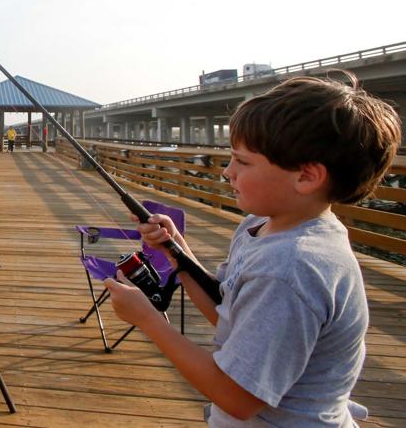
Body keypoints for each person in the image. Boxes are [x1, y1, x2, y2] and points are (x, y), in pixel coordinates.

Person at [104, 75, 401, 426]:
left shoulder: (291, 268)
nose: (227, 172)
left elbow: (238, 397)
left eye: (242, 162)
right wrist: (176, 252)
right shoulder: (264, 225)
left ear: (306, 177)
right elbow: (229, 313)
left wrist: (148, 320)